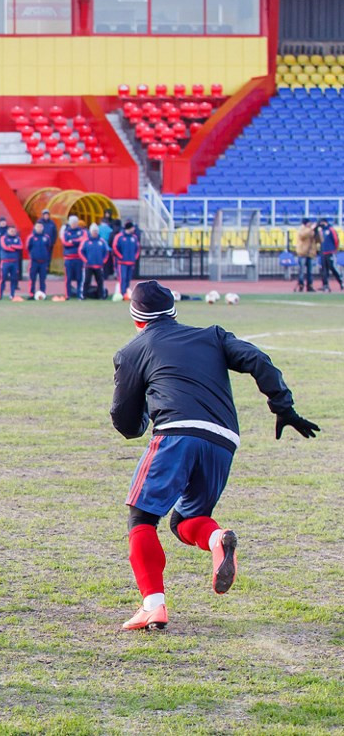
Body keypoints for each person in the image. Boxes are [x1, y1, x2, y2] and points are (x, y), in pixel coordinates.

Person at [110, 281, 319, 632]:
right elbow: (257, 358)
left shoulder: (132, 351)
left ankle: (153, 606)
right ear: (174, 310)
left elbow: (125, 420)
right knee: (185, 521)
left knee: (142, 517)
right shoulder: (212, 335)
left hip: (176, 434)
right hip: (223, 440)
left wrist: (144, 418)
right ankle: (216, 539)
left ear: (136, 319)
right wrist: (283, 407)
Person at [80, 225, 111, 299]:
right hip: (88, 265)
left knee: (100, 281)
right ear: (91, 232)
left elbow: (106, 252)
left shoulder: (102, 241)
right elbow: (81, 251)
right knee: (86, 281)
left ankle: (101, 295)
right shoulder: (86, 241)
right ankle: (84, 295)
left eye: (96, 231)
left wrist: (103, 261)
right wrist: (86, 260)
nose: (95, 233)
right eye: (93, 231)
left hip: (99, 265)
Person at [60, 215, 87, 300]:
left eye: (75, 222)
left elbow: (83, 241)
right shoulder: (66, 232)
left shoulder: (82, 231)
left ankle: (80, 295)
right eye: (72, 223)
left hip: (79, 258)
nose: (74, 224)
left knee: (80, 278)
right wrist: (76, 241)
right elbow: (65, 243)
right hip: (68, 258)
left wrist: (73, 241)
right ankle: (68, 295)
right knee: (68, 278)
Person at [112, 221, 141, 296]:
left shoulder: (134, 237)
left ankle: (126, 292)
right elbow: (114, 247)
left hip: (131, 262)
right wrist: (120, 256)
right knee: (122, 278)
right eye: (132, 227)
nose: (134, 229)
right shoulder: (119, 236)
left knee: (128, 278)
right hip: (122, 262)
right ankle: (122, 293)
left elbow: (137, 248)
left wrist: (135, 257)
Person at [316, 218, 342, 292]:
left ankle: (341, 282)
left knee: (333, 268)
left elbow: (336, 240)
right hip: (323, 252)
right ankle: (325, 285)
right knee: (324, 270)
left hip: (330, 252)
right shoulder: (321, 231)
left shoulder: (331, 230)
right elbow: (320, 240)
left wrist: (335, 249)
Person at [0, 225, 22, 300]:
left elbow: (21, 247)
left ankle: (12, 295)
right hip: (5, 262)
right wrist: (14, 248)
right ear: (8, 231)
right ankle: (0, 295)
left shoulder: (17, 238)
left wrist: (11, 246)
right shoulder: (3, 238)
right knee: (3, 279)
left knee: (14, 279)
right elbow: (4, 247)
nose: (13, 232)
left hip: (14, 262)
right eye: (11, 231)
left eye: (14, 231)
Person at [294, 218, 318, 293]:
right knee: (301, 271)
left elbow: (318, 240)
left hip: (310, 253)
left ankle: (310, 285)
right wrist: (311, 229)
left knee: (310, 271)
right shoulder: (302, 229)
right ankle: (301, 285)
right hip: (302, 253)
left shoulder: (311, 231)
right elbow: (302, 235)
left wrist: (317, 232)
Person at [27, 222, 52, 297]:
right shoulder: (31, 237)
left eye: (40, 227)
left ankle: (42, 294)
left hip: (43, 262)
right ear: (35, 227)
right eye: (37, 227)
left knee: (42, 279)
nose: (39, 228)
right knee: (32, 279)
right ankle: (31, 294)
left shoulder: (46, 237)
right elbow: (28, 247)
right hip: (34, 262)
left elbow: (48, 248)